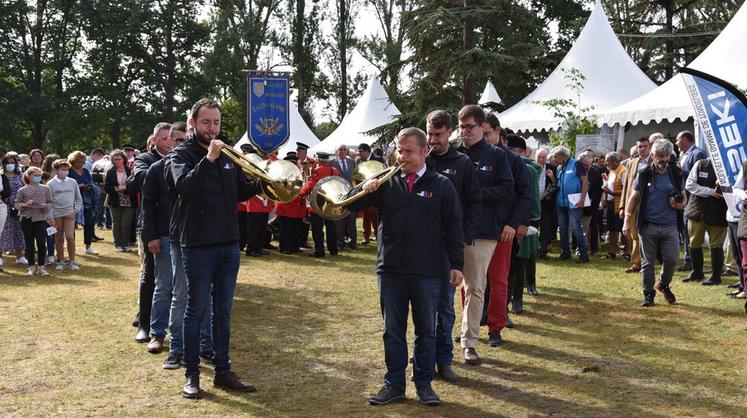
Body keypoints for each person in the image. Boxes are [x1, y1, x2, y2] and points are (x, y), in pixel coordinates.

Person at [345, 127, 464, 406]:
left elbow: (454, 228)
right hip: (391, 269)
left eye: (408, 151)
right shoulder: (386, 180)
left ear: (425, 151)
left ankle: (424, 384)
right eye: (399, 150)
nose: (402, 156)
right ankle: (394, 384)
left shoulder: (442, 185)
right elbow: (348, 204)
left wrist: (457, 264)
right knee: (393, 330)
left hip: (429, 271)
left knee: (427, 330)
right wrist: (364, 189)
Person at [169, 98, 262, 398]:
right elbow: (185, 187)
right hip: (197, 245)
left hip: (229, 243)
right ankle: (192, 374)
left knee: (223, 313)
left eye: (217, 123)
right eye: (207, 122)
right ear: (193, 123)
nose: (213, 128)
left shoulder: (229, 154)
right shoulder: (181, 153)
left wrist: (265, 181)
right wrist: (208, 159)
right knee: (195, 311)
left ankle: (223, 371)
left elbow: (241, 191)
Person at [424, 110, 481, 381]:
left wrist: (464, 237)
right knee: (423, 306)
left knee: (445, 306)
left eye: (438, 134)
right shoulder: (419, 159)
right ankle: (424, 358)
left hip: (449, 246)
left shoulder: (462, 163)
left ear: (449, 132)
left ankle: (444, 360)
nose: (434, 140)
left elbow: (473, 202)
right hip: (420, 246)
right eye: (430, 134)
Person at [455, 105, 513, 364]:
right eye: (461, 126)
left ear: (481, 126)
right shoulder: (452, 154)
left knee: (476, 287)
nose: (464, 132)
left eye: (469, 127)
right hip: (450, 229)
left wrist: (474, 194)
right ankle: (439, 341)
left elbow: (506, 190)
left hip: (483, 231)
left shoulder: (497, 156)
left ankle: (469, 343)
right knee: (445, 287)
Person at [623, 139, 685, 307]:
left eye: (666, 156)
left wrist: (678, 204)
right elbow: (633, 197)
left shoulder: (677, 174)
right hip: (648, 225)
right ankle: (648, 294)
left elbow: (684, 199)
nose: (663, 159)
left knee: (672, 260)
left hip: (670, 225)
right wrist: (627, 220)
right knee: (647, 262)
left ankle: (663, 284)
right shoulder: (644, 174)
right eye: (660, 156)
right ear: (652, 155)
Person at [127, 122, 173, 346]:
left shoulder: (179, 158)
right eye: (164, 139)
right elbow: (135, 182)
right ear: (154, 140)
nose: (168, 143)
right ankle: (144, 323)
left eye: (171, 139)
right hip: (150, 226)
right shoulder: (146, 159)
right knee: (150, 275)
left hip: (173, 226)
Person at [683, 158, 728, 286]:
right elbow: (690, 185)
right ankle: (697, 272)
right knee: (694, 242)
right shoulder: (701, 164)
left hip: (719, 213)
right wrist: (710, 192)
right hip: (697, 211)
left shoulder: (729, 166)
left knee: (716, 245)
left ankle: (715, 276)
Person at [619, 136, 654, 273]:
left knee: (647, 235)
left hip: (649, 204)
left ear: (649, 147)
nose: (643, 149)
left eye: (645, 146)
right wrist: (623, 206)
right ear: (636, 148)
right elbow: (627, 185)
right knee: (634, 234)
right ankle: (636, 264)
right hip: (632, 203)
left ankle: (647, 263)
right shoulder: (632, 162)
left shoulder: (654, 161)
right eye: (640, 146)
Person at [675, 131, 707, 272]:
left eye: (677, 140)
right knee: (685, 229)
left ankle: (691, 261)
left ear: (685, 139)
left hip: (693, 199)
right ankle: (689, 259)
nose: (676, 143)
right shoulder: (685, 154)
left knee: (690, 229)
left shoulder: (698, 153)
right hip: (684, 197)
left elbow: (700, 177)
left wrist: (680, 171)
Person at [14, 166, 55, 276]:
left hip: (41, 219)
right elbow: (16, 203)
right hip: (27, 219)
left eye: (39, 175)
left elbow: (51, 202)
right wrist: (24, 205)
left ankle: (41, 267)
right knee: (29, 244)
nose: (37, 177)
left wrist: (45, 206)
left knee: (42, 243)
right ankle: (31, 267)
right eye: (35, 175)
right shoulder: (22, 190)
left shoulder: (45, 188)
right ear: (28, 176)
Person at [552, 145, 589, 263]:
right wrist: (552, 178)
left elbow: (585, 183)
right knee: (562, 228)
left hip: (574, 202)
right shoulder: (559, 168)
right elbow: (558, 184)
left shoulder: (576, 164)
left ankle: (583, 255)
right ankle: (565, 253)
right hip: (561, 202)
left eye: (555, 157)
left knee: (576, 227)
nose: (554, 159)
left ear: (562, 156)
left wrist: (582, 200)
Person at [299, 152, 339, 257]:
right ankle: (333, 249)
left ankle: (319, 250)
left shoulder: (317, 170)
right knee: (331, 227)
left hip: (317, 203)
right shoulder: (334, 171)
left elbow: (311, 185)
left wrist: (300, 193)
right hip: (330, 202)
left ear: (319, 160)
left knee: (317, 229)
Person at [47, 159, 83, 270]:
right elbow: (49, 202)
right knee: (58, 238)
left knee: (70, 237)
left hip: (69, 214)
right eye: (63, 169)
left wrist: (76, 210)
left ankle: (72, 261)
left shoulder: (72, 182)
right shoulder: (50, 184)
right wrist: (51, 217)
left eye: (67, 169)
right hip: (56, 215)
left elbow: (78, 198)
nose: (65, 172)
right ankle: (61, 261)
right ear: (56, 170)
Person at [68, 151, 99, 256]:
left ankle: (88, 246)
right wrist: (78, 186)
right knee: (71, 225)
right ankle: (72, 247)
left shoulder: (85, 171)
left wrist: (89, 186)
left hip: (87, 201)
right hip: (72, 201)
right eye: (78, 162)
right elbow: (67, 184)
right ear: (72, 162)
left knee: (89, 223)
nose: (80, 164)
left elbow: (91, 182)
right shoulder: (69, 171)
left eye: (82, 162)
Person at [104, 150, 135, 252]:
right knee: (116, 222)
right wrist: (116, 188)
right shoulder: (110, 172)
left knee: (126, 223)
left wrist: (126, 188)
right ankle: (117, 244)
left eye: (119, 159)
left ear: (123, 159)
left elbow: (135, 185)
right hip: (115, 200)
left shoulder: (130, 170)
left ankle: (125, 244)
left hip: (129, 200)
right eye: (115, 159)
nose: (117, 161)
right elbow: (106, 187)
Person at [2, 153, 29, 265]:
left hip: (18, 207)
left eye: (12, 163)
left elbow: (26, 189)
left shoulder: (21, 176)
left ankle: (19, 257)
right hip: (3, 206)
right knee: (3, 232)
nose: (10, 165)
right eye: (7, 163)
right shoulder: (1, 176)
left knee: (19, 231)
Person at [330, 145, 357, 250]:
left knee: (352, 221)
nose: (342, 151)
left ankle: (353, 243)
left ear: (347, 151)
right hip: (338, 196)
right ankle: (340, 243)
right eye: (340, 150)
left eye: (344, 150)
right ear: (336, 152)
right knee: (338, 221)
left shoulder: (352, 162)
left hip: (351, 195)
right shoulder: (331, 163)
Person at [356, 143, 384, 245]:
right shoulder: (358, 161)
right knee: (365, 215)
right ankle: (366, 237)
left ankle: (378, 236)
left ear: (367, 151)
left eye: (361, 151)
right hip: (364, 192)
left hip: (376, 191)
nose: (359, 153)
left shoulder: (379, 159)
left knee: (375, 215)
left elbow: (384, 173)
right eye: (359, 151)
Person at [602, 152, 627, 260]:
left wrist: (611, 192)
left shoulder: (623, 171)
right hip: (611, 204)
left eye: (607, 160)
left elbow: (626, 190)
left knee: (622, 229)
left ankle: (627, 251)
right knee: (612, 229)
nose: (605, 162)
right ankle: (612, 252)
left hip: (620, 204)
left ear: (614, 161)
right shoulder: (612, 171)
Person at [536, 147, 558, 259]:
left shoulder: (552, 168)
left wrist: (552, 178)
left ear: (546, 158)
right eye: (538, 157)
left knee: (545, 228)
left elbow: (557, 186)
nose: (540, 159)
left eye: (543, 157)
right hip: (534, 202)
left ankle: (543, 251)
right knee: (533, 227)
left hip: (546, 202)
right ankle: (533, 250)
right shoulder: (531, 167)